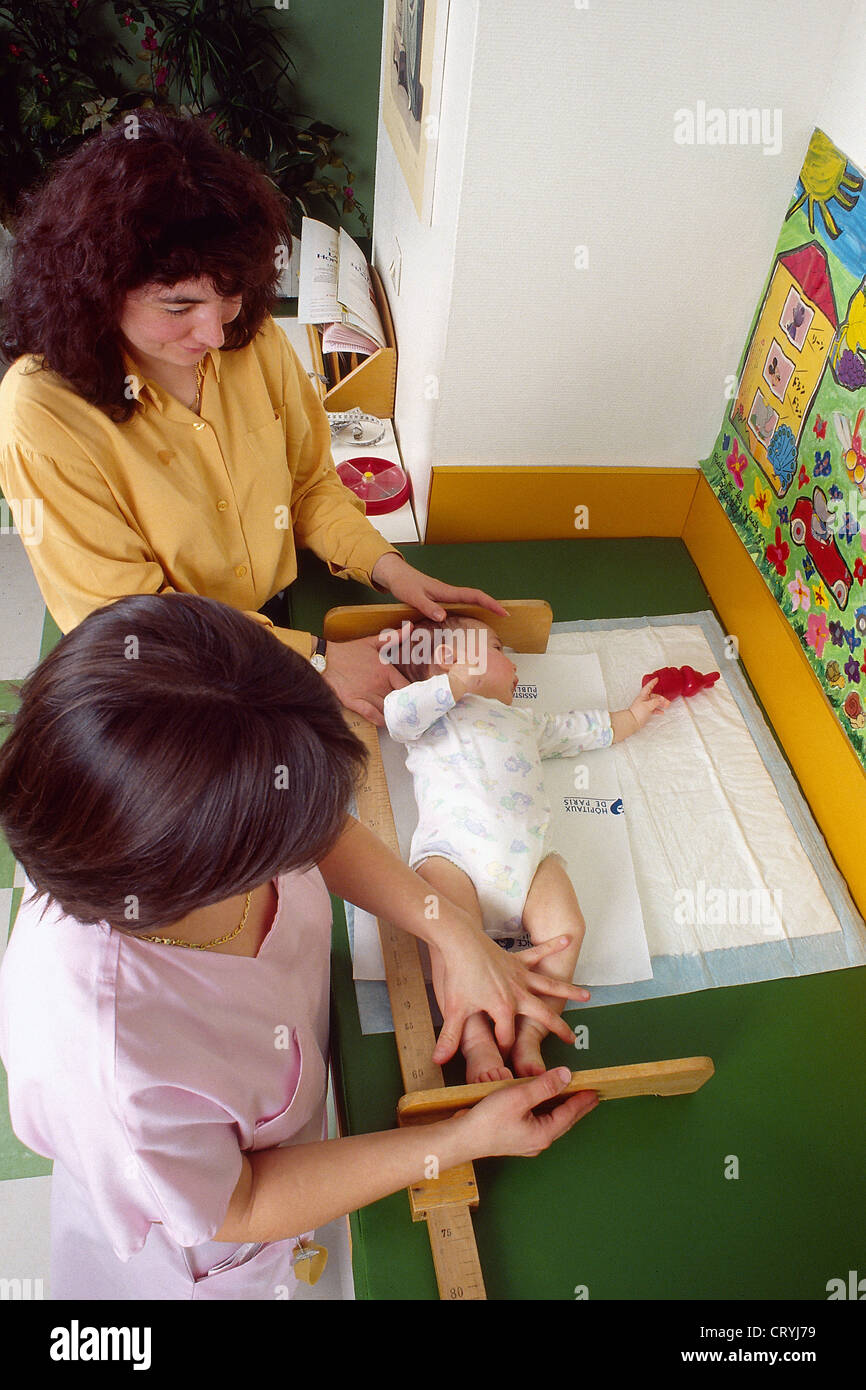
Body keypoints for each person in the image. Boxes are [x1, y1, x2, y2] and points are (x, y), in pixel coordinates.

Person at [0, 593, 597, 1300]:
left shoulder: (193, 811)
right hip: (224, 1234)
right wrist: (457, 1144)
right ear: (214, 869)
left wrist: (450, 928)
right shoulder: (111, 1061)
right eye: (291, 833)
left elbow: (318, 828)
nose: (314, 837)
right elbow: (241, 1204)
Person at [0, 109, 504, 727]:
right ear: (94, 291)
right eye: (178, 306)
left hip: (277, 622)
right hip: (161, 668)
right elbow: (136, 624)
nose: (214, 331)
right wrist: (316, 660)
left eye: (230, 296)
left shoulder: (250, 338)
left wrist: (385, 566)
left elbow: (309, 483)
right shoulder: (42, 413)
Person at [384, 615, 669, 1084]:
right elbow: (396, 716)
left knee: (568, 927)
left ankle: (532, 1031)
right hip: (452, 857)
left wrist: (632, 717)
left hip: (529, 863)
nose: (513, 663)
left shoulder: (522, 720)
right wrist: (454, 683)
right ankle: (477, 1042)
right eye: (498, 647)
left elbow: (577, 731)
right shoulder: (431, 716)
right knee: (449, 932)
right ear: (451, 658)